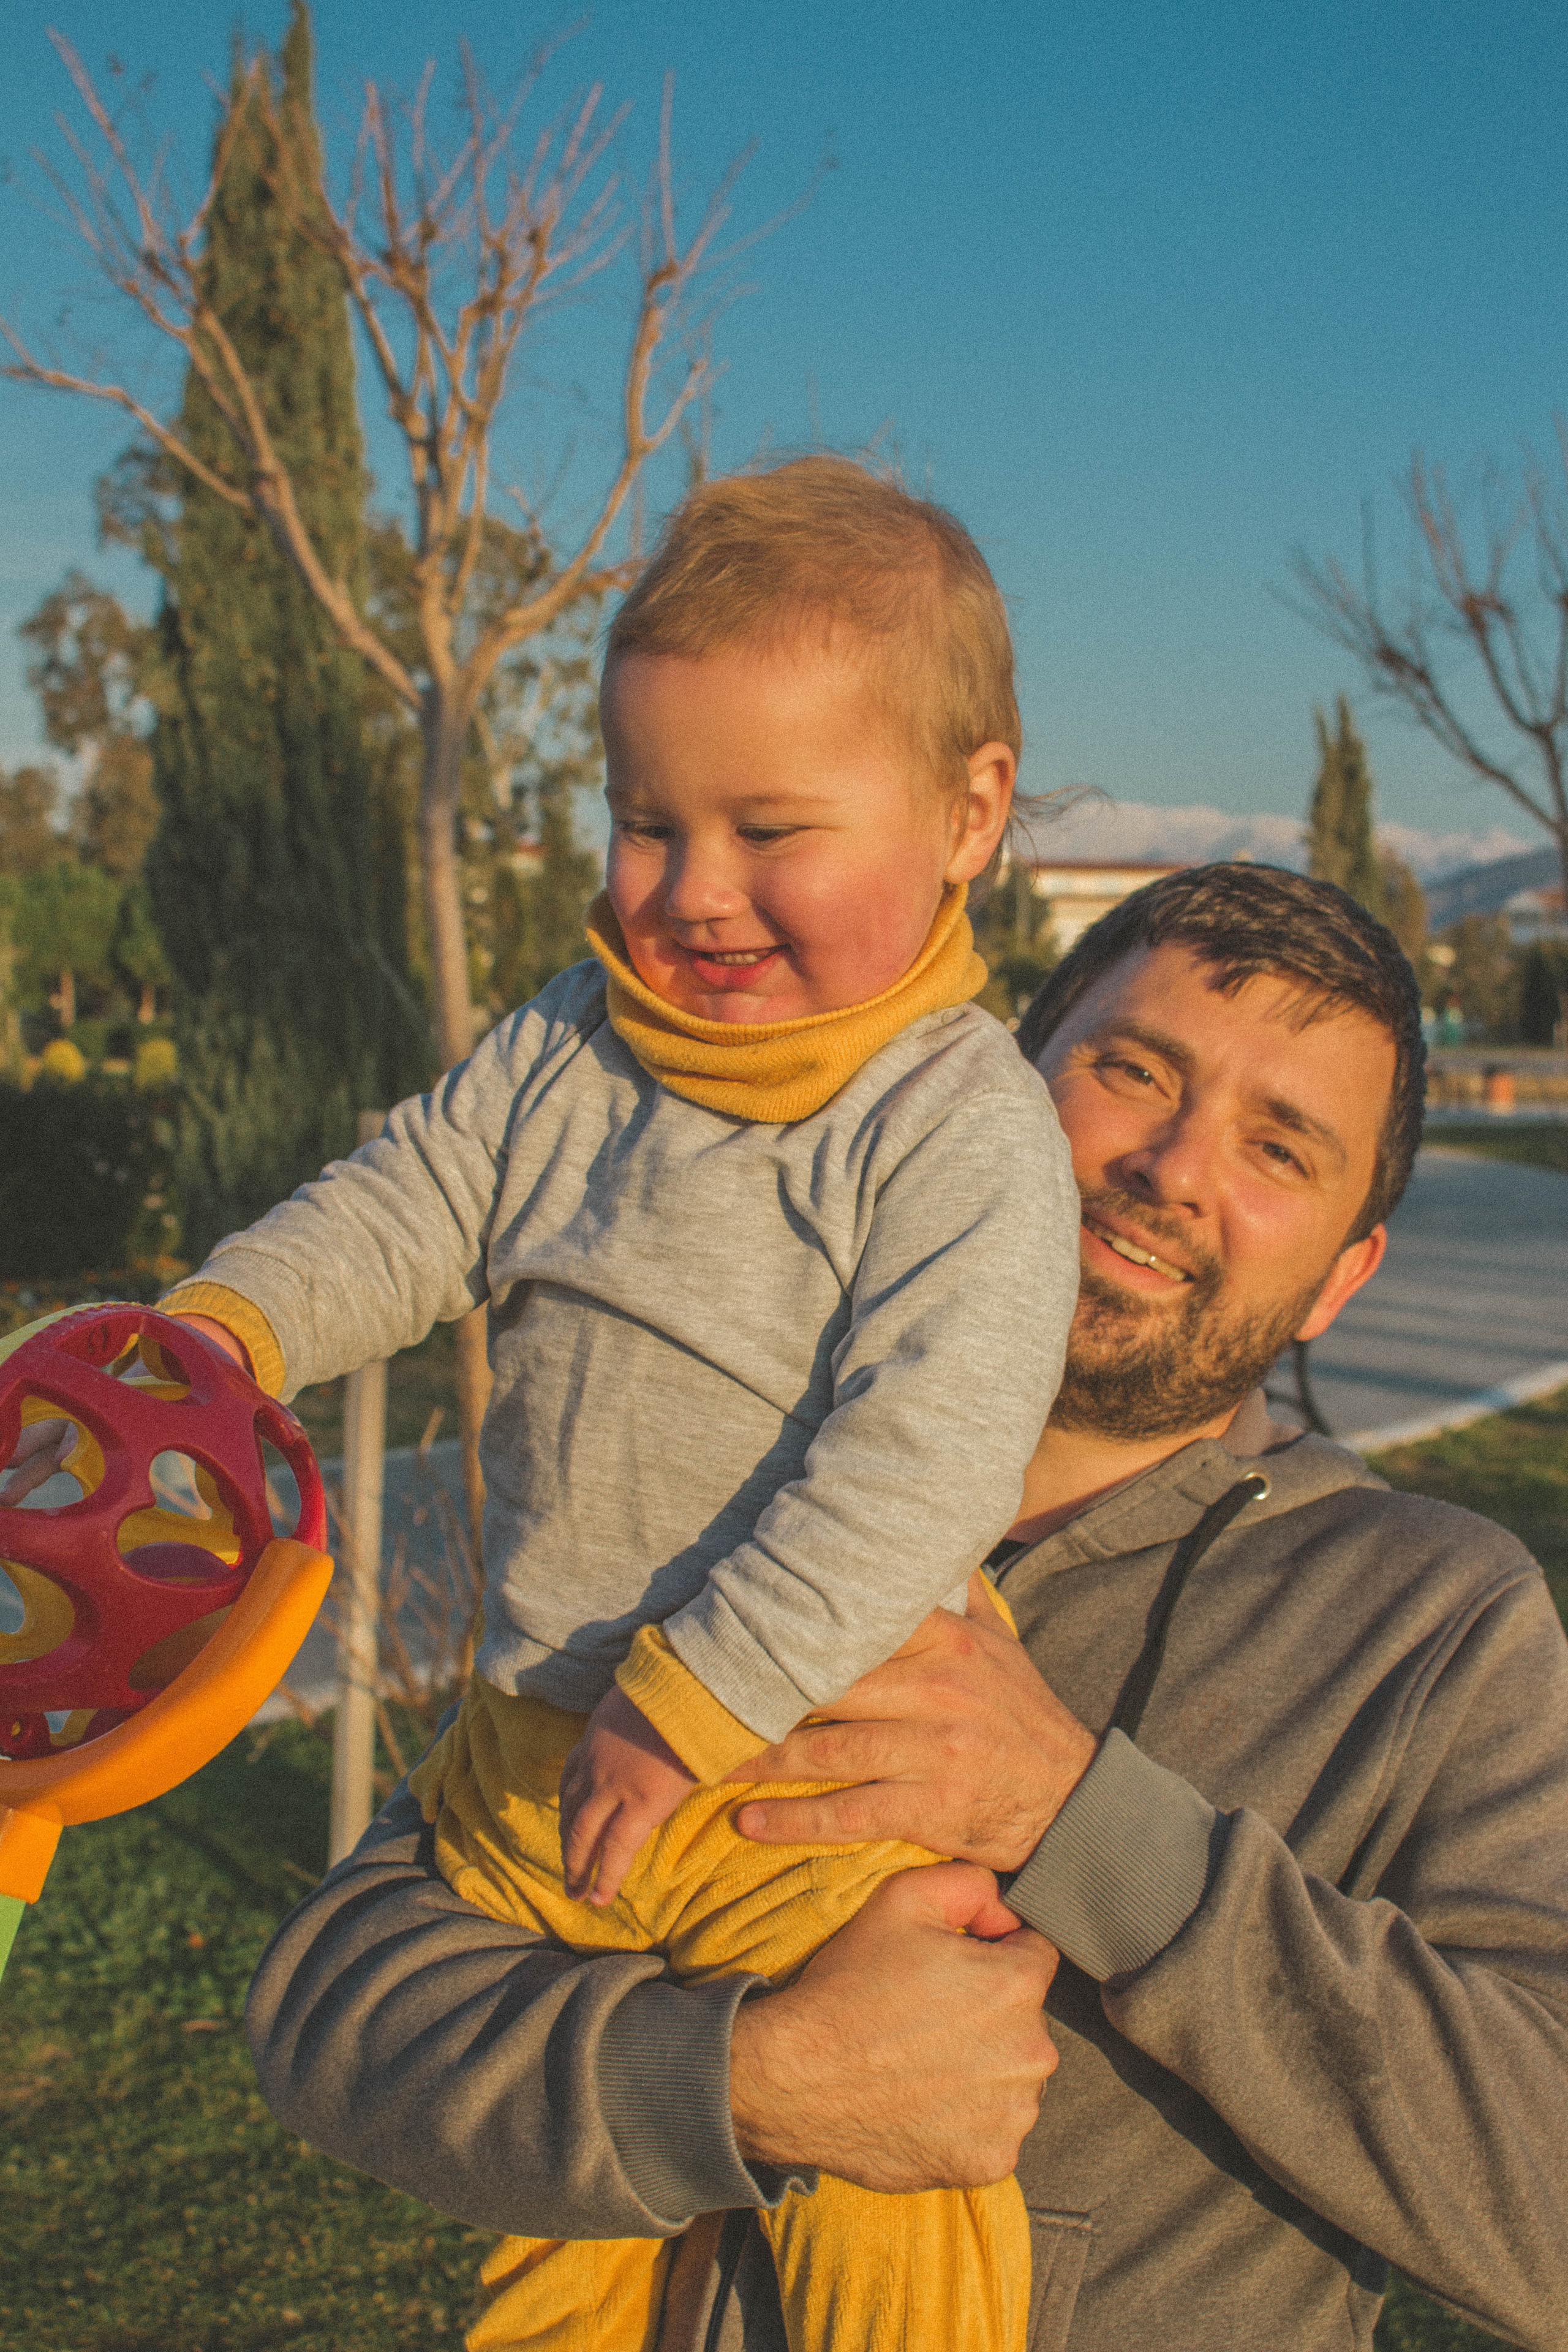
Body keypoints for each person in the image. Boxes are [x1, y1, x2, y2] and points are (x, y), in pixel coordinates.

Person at [246, 862, 1568, 2352]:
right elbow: (325, 2018)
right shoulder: (717, 1483)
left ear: (1339, 1276)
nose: (1174, 1168)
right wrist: (740, 2084)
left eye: (1279, 1149)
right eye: (1132, 1072)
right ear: (1003, 1080)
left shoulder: (1433, 1623)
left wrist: (1083, 1824)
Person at [148, 458, 1078, 2352]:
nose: (693, 891)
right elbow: (414, 1201)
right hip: (534, 1752)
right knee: (556, 2213)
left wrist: (698, 1692)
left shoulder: (954, 1117)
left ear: (971, 810)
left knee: (902, 2198)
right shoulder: (574, 1040)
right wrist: (229, 1328)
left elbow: (923, 1458)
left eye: (768, 829)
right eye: (645, 822)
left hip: (799, 1778)